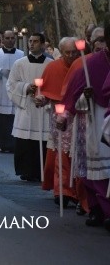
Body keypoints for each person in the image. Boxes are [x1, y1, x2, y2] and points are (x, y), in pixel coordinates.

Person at [61, 23, 110, 229]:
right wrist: (86, 97)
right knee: (98, 172)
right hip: (97, 119)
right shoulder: (92, 64)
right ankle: (100, 210)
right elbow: (75, 97)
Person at [6, 32, 52, 182]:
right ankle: (26, 171)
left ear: (43, 44)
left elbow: (55, 86)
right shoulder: (20, 63)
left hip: (44, 108)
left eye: (36, 41)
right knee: (25, 142)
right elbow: (11, 85)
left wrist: (45, 97)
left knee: (43, 141)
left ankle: (42, 172)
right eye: (30, 41)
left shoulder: (50, 64)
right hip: (26, 107)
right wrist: (26, 87)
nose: (32, 44)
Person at [40, 37, 80, 208]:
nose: (71, 56)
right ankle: (62, 190)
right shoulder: (52, 67)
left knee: (77, 154)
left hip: (78, 116)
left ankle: (78, 191)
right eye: (67, 53)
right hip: (58, 115)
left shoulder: (81, 65)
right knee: (62, 153)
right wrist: (40, 99)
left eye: (74, 52)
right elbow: (43, 94)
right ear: (60, 52)